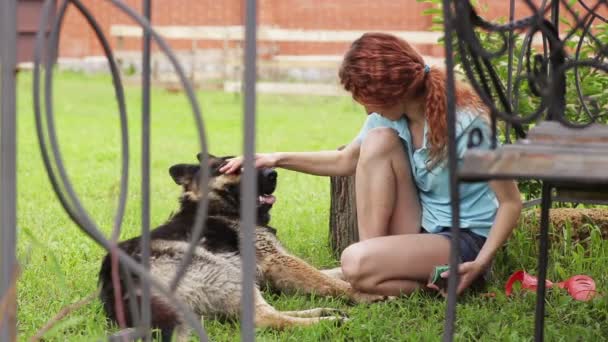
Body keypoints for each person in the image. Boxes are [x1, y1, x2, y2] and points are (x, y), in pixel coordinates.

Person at [220, 32, 522, 297]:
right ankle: (371, 264)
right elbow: (344, 161)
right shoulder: (387, 118)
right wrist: (276, 158)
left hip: (466, 240)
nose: (363, 106)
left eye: (362, 96)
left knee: (353, 262)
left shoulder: (466, 125)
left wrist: (481, 262)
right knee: (378, 141)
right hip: (425, 227)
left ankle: (437, 278)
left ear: (389, 92)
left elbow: (510, 202)